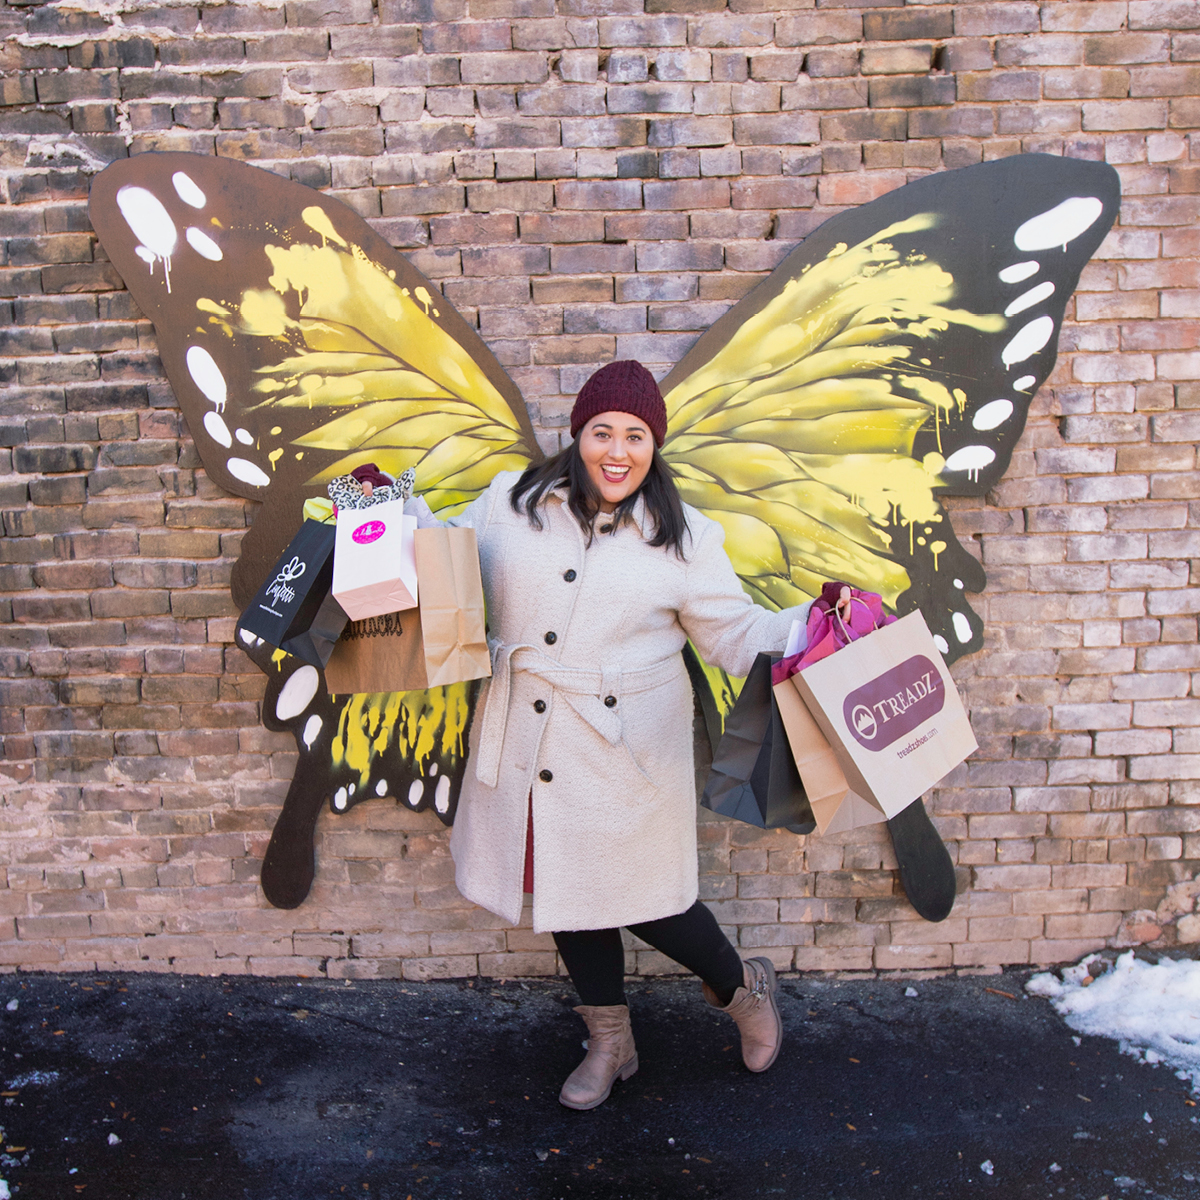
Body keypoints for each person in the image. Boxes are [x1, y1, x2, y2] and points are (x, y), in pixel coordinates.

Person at [409, 360, 814, 1109]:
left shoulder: (683, 538)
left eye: (636, 435)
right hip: (529, 741)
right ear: (579, 433)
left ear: (654, 445)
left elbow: (738, 636)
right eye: (603, 432)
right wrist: (381, 508)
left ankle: (742, 990)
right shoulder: (508, 504)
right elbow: (441, 559)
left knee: (656, 902)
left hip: (625, 750)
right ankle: (609, 1041)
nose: (618, 451)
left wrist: (816, 627)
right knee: (568, 895)